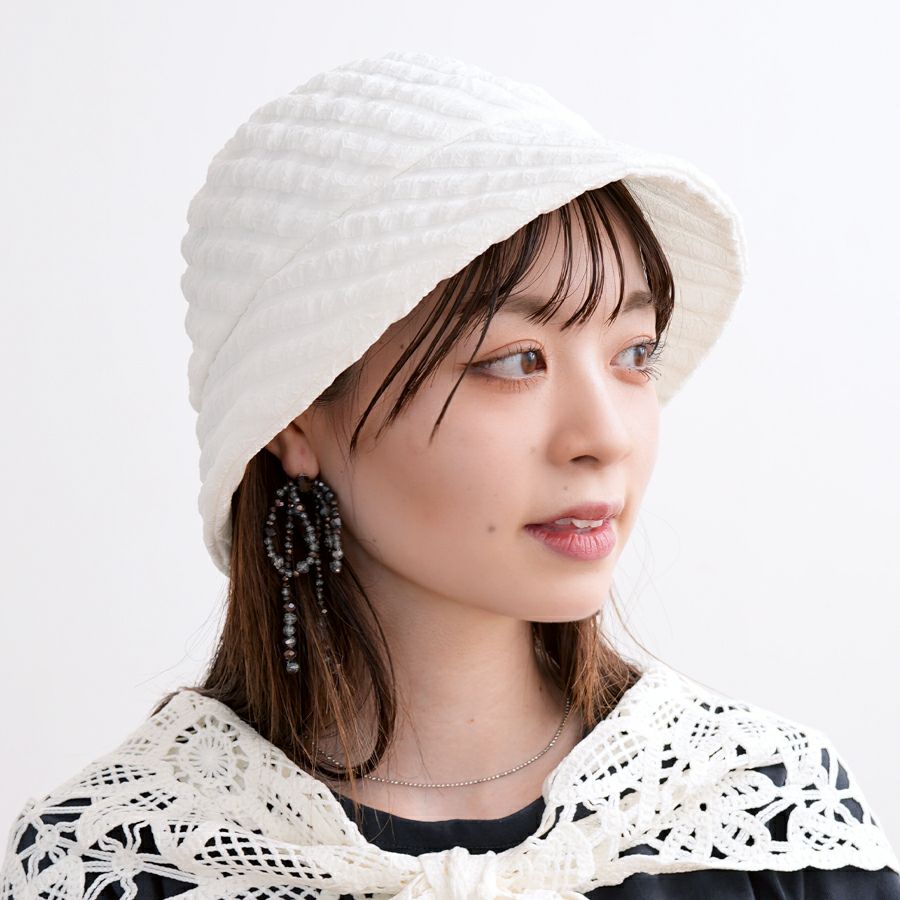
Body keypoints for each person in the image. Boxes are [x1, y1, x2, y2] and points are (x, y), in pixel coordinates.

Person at [2, 49, 898, 899]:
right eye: (514, 361)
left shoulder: (764, 814)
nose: (604, 437)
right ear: (295, 419)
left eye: (633, 354)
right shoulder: (119, 860)